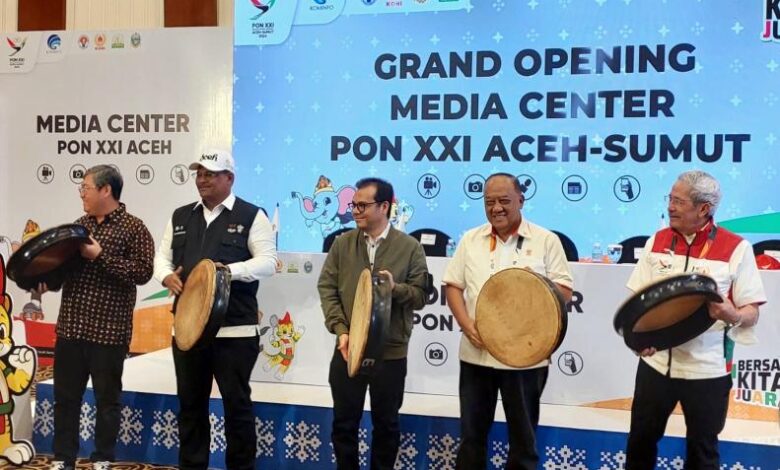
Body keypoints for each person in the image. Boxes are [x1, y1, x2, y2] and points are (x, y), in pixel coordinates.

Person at [625, 170, 766, 469]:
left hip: (707, 370)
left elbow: (751, 313)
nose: (670, 207)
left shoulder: (736, 247)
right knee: (639, 445)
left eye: (679, 201)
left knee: (703, 453)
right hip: (655, 365)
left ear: (704, 208)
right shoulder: (657, 241)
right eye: (670, 199)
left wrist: (733, 313)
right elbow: (637, 303)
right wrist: (638, 338)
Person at [153, 149, 277, 470]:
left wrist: (224, 273)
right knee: (190, 407)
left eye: (210, 174)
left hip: (235, 332)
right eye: (199, 174)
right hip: (187, 332)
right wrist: (165, 275)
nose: (202, 180)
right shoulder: (181, 216)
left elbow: (268, 262)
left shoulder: (252, 215)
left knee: (237, 408)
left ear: (229, 178)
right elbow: (161, 257)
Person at [443, 172, 573, 470]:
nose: (496, 208)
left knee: (523, 440)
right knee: (471, 436)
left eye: (504, 200)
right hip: (476, 355)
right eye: (489, 202)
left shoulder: (545, 240)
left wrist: (533, 293)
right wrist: (466, 324)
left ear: (521, 200)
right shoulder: (470, 239)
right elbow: (453, 285)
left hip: (525, 357)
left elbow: (564, 290)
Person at [47, 165, 155, 470]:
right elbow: (63, 270)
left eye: (86, 187)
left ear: (106, 190)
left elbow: (143, 272)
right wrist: (44, 279)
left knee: (107, 402)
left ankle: (103, 458)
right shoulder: (78, 227)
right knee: (65, 399)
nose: (82, 193)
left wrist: (101, 256)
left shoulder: (134, 228)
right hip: (71, 328)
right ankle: (62, 458)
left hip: (109, 332)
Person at [318, 177, 429, 470]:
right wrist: (341, 331)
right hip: (347, 350)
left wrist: (395, 289)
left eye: (362, 205)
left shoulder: (410, 247)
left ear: (384, 207)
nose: (355, 211)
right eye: (353, 205)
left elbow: (420, 296)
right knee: (344, 424)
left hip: (390, 353)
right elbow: (327, 287)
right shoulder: (342, 243)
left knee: (387, 425)